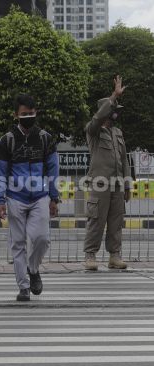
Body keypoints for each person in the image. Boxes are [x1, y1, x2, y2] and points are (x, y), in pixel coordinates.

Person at [0, 94, 60, 302]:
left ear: (36, 113)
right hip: (15, 198)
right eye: (24, 114)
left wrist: (54, 197)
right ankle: (23, 287)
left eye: (31, 113)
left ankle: (33, 269)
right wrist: (0, 200)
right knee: (18, 243)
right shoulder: (7, 141)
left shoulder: (45, 138)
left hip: (40, 196)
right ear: (16, 115)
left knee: (42, 238)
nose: (28, 117)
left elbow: (53, 168)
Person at [83, 75, 130, 270]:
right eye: (113, 110)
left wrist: (127, 184)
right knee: (96, 221)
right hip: (100, 184)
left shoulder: (117, 133)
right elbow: (98, 117)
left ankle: (114, 256)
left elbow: (124, 159)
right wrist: (113, 96)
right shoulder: (93, 131)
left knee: (116, 222)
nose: (115, 114)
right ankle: (90, 256)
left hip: (117, 185)